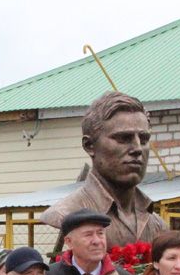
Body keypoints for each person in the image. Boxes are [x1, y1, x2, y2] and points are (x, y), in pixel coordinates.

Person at [40, 91, 169, 247]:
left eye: (143, 139)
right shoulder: (65, 213)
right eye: (123, 138)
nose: (137, 149)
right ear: (90, 146)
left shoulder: (157, 225)